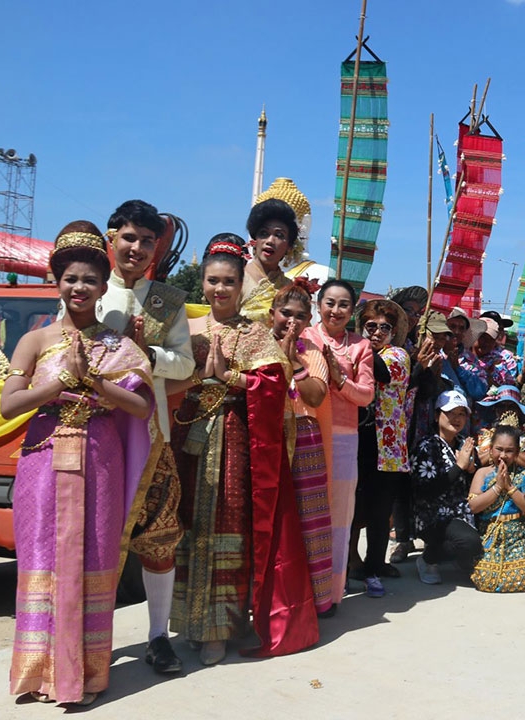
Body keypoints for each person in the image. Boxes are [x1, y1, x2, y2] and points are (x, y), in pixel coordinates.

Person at [2, 223, 154, 706]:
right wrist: (56, 384)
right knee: (40, 558)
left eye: (89, 280)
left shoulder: (119, 345)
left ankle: (85, 675)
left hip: (99, 456)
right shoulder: (34, 340)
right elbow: (10, 405)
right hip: (42, 459)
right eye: (70, 278)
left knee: (94, 557)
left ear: (103, 286)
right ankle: (38, 670)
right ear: (56, 281)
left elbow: (142, 408)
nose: (79, 288)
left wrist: (95, 384)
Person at [169, 234, 318, 665]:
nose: (220, 289)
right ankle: (189, 621)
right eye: (213, 281)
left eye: (228, 282)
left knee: (227, 527)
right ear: (202, 284)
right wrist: (200, 376)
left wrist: (231, 377)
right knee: (189, 526)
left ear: (241, 286)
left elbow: (274, 385)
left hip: (235, 439)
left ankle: (220, 628)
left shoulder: (255, 335)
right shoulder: (190, 330)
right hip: (189, 436)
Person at [99, 200, 193, 675]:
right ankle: (92, 637)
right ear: (111, 237)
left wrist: (147, 354)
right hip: (96, 434)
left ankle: (158, 635)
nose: (136, 248)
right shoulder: (90, 291)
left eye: (147, 241)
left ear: (157, 248)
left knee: (159, 538)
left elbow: (186, 364)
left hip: (152, 434)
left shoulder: (167, 300)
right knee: (94, 537)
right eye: (129, 237)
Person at [301, 279, 374, 607]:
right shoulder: (305, 337)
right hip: (308, 433)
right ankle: (301, 589)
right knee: (305, 512)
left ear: (352, 310)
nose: (335, 310)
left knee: (339, 516)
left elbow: (366, 395)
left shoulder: (361, 346)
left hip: (344, 438)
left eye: (343, 304)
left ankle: (329, 594)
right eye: (330, 302)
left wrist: (339, 377)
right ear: (318, 305)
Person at [271, 279, 335, 616]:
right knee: (269, 518)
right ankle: (269, 600)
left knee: (309, 520)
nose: (291, 321)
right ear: (272, 314)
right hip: (264, 434)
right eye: (285, 314)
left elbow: (314, 396)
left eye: (300, 316)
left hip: (305, 435)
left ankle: (317, 599)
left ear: (308, 320)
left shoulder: (312, 353)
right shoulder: (256, 346)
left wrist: (292, 362)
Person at [353, 298, 411, 599]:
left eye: (383, 328)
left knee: (379, 512)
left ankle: (374, 568)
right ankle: (352, 562)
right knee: (353, 507)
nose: (376, 333)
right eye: (370, 326)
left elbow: (382, 372)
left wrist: (357, 342)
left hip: (386, 445)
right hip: (357, 437)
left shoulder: (397, 355)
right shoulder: (357, 351)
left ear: (393, 332)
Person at [409, 391, 481, 585]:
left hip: (461, 511)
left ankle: (458, 557)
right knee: (468, 543)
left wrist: (472, 469)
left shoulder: (463, 444)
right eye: (451, 413)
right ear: (436, 415)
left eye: (461, 414)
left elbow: (472, 480)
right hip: (433, 515)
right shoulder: (427, 446)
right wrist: (459, 467)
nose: (456, 419)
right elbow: (427, 491)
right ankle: (427, 559)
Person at [468, 425, 525, 593]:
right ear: (490, 449)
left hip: (517, 534)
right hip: (490, 532)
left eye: (509, 451)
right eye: (499, 449)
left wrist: (509, 487)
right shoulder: (482, 473)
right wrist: (497, 487)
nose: (503, 455)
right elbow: (473, 506)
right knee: (484, 579)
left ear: (517, 453)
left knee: (521, 579)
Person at [239, 198, 300, 325]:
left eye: (279, 235)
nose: (270, 241)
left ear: (289, 246)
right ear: (255, 240)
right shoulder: (236, 280)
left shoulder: (291, 288)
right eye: (264, 233)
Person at [474, 385, 525, 474]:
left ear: (518, 411)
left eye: (512, 406)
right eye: (501, 406)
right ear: (495, 409)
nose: (506, 410)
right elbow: (474, 464)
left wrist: (511, 452)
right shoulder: (484, 434)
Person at [471, 316, 519, 389]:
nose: (486, 343)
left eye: (491, 339)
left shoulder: (501, 361)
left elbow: (508, 389)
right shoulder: (460, 357)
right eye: (483, 337)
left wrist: (490, 380)